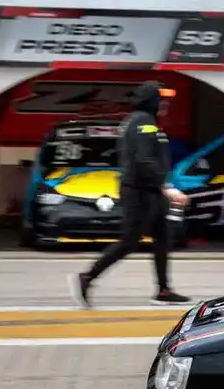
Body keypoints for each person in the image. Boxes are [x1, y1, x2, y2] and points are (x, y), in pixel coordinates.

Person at [72, 81, 191, 307]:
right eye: (161, 99)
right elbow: (143, 160)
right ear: (151, 101)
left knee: (163, 239)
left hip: (150, 191)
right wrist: (167, 187)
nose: (165, 104)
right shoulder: (142, 123)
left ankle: (164, 290)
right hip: (139, 192)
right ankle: (88, 277)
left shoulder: (144, 122)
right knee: (129, 241)